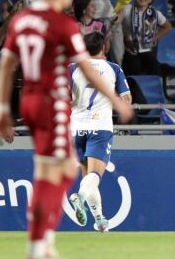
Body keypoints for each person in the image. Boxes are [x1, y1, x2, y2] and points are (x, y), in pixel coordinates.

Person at [0, 0, 133, 258]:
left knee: (60, 168)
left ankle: (48, 239)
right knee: (56, 175)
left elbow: (7, 63)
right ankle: (39, 244)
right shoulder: (62, 25)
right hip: (52, 106)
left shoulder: (22, 20)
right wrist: (116, 101)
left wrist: (1, 108)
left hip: (31, 102)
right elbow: (88, 68)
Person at [68, 31, 132, 232]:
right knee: (95, 174)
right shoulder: (113, 69)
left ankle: (100, 220)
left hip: (76, 127)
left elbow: (64, 97)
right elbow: (126, 99)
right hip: (99, 127)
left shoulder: (72, 68)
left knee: (87, 176)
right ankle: (80, 197)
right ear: (104, 48)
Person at [121, 0, 172, 75]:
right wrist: (125, 38)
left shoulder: (154, 13)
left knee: (155, 69)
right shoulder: (127, 9)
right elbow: (116, 26)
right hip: (129, 51)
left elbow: (168, 27)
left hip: (146, 51)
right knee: (133, 66)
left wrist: (153, 37)